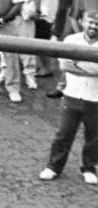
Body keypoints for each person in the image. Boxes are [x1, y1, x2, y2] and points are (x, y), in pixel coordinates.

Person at [40, 11, 98, 184]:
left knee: (94, 136)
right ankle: (53, 166)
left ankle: (88, 167)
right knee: (63, 134)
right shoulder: (71, 40)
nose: (94, 26)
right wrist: (91, 68)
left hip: (95, 98)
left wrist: (77, 64)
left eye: (97, 23)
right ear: (82, 22)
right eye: (91, 22)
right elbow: (64, 65)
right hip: (71, 96)